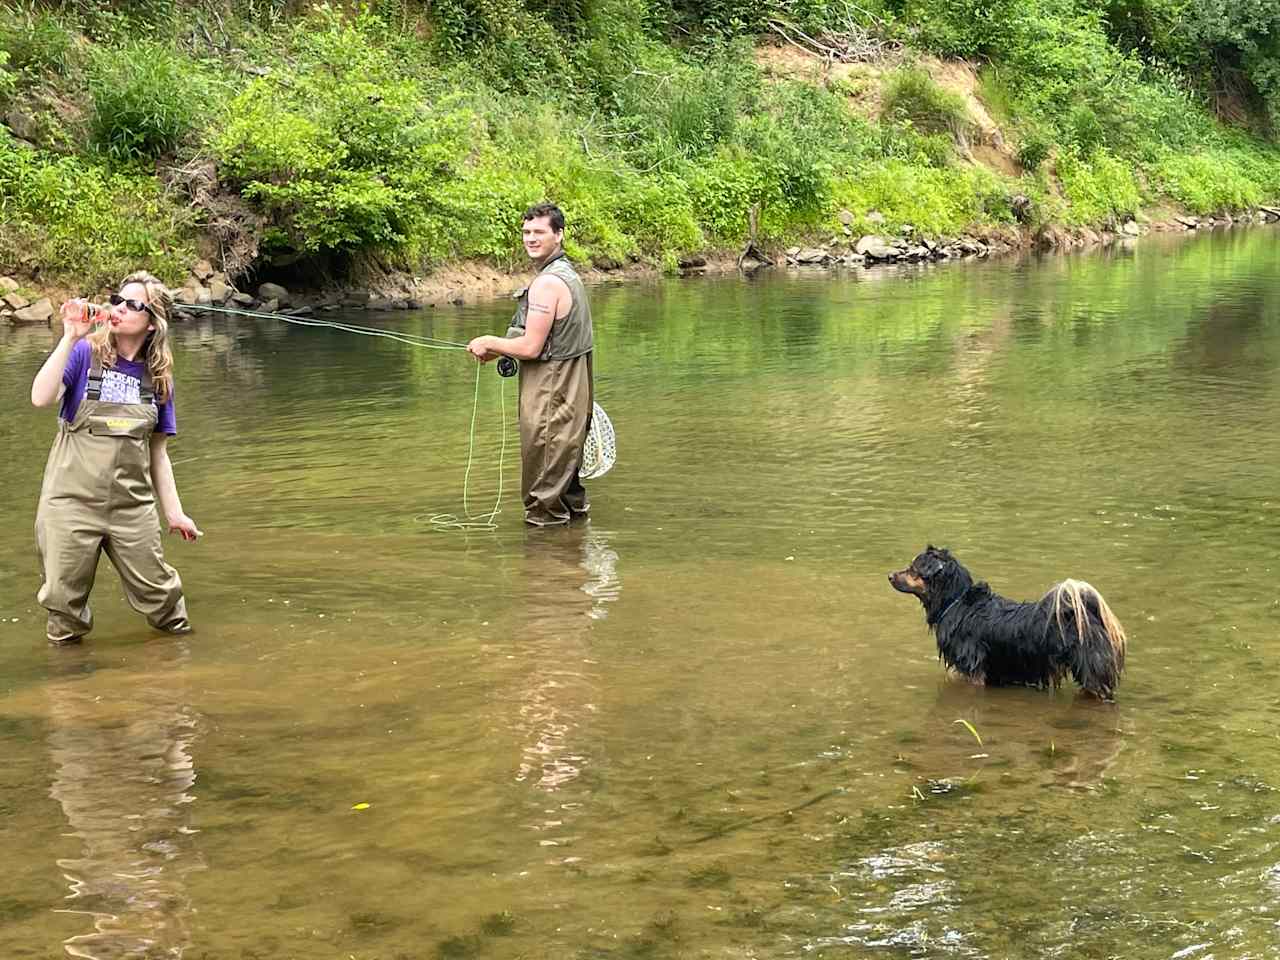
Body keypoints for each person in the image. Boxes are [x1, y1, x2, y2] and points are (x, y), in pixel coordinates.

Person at [30, 271, 200, 644]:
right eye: (117, 300)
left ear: (153, 323)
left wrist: (174, 513)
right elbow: (40, 398)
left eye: (132, 304)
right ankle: (68, 691)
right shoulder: (83, 352)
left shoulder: (159, 378)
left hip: (131, 509)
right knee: (62, 604)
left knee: (163, 600)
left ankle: (183, 673)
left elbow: (158, 453)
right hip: (69, 504)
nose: (119, 308)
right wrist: (69, 336)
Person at [467, 203, 595, 526]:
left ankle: (545, 572)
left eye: (539, 232)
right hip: (571, 397)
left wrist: (490, 342)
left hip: (551, 397)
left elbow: (531, 345)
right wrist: (499, 351)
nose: (531, 238)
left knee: (543, 503)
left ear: (559, 234)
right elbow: (547, 341)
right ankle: (571, 562)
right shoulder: (568, 275)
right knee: (567, 491)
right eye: (526, 232)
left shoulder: (547, 284)